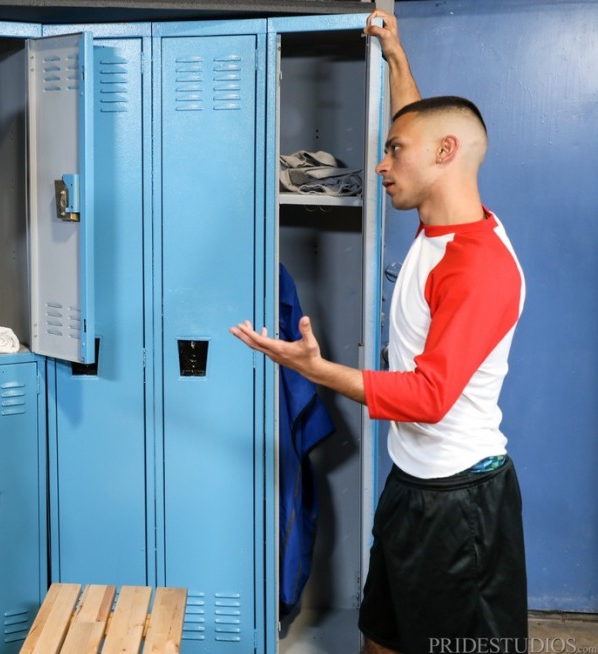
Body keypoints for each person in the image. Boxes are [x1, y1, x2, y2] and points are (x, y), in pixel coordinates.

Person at [231, 10, 528, 654]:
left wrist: (314, 369)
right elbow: (419, 124)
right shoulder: (440, 222)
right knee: (381, 640)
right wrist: (395, 55)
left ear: (444, 155)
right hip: (411, 486)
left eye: (393, 151)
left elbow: (429, 397)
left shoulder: (478, 268)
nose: (380, 165)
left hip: (461, 507)